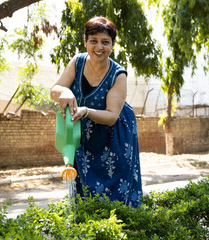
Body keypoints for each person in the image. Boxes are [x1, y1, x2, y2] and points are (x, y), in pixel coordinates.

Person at [50, 16, 142, 207]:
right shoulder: (77, 62)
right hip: (84, 135)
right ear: (85, 41)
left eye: (105, 42)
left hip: (115, 135)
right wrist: (65, 91)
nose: (99, 47)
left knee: (115, 192)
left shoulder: (118, 74)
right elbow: (54, 90)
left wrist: (85, 111)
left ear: (112, 45)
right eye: (93, 41)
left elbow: (111, 116)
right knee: (84, 187)